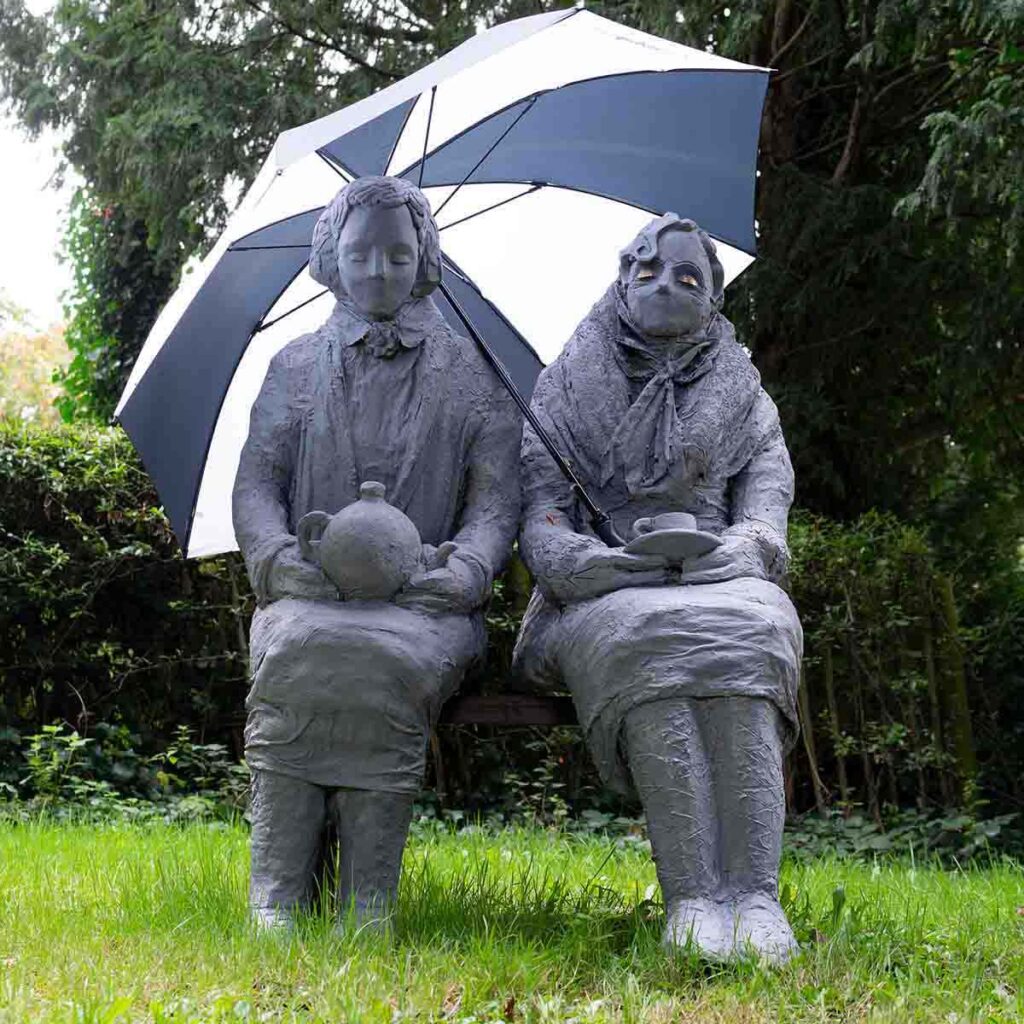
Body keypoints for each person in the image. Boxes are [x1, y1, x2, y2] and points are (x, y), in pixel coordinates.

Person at [233, 175, 521, 930]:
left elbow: (495, 502)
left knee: (382, 658)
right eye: (361, 254)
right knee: (294, 649)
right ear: (333, 258)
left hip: (426, 605)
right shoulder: (292, 367)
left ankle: (368, 899)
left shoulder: (473, 373)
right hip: (311, 595)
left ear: (424, 256)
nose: (379, 271)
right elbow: (257, 485)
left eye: (398, 254)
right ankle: (277, 892)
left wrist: (465, 570)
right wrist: (274, 560)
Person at [513, 214, 802, 961]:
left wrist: (737, 552)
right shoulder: (563, 387)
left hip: (721, 581)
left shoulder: (747, 396)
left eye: (687, 275)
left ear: (713, 297)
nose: (666, 283)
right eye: (648, 270)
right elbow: (541, 528)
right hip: (602, 594)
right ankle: (694, 899)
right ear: (620, 279)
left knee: (751, 632)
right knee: (646, 637)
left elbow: (767, 514)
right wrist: (598, 563)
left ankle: (756, 896)